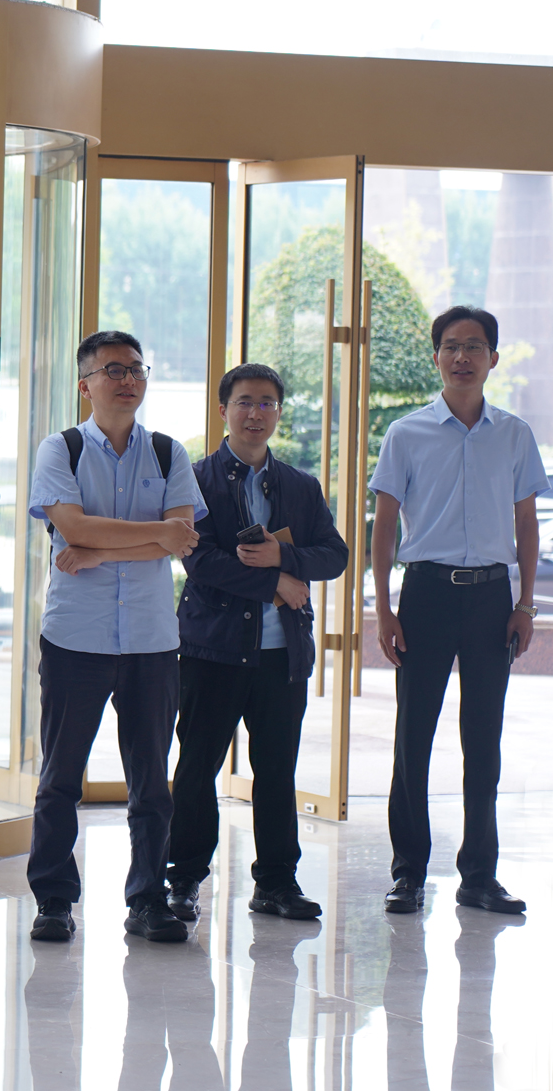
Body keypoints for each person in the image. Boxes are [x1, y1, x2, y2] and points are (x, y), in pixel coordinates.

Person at [26, 329, 204, 945]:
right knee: (60, 778)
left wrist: (97, 551)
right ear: (86, 385)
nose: (128, 380)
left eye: (136, 369)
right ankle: (54, 900)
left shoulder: (168, 452)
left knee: (151, 783)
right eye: (113, 370)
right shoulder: (62, 448)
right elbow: (73, 526)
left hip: (152, 641)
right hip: (76, 638)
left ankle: (148, 900)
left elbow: (183, 538)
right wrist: (147, 535)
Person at [370, 305, 546, 916]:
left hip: (492, 598)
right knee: (412, 737)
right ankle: (408, 873)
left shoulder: (515, 434)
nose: (462, 356)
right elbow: (384, 524)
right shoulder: (406, 433)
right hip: (426, 594)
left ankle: (479, 876)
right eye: (450, 346)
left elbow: (527, 524)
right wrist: (384, 608)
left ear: (493, 359)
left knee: (484, 739)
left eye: (474, 346)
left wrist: (526, 604)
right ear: (436, 357)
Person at [165, 363, 346, 924]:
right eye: (245, 401)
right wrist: (276, 584)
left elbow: (335, 555)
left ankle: (276, 883)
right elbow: (198, 559)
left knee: (276, 771)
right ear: (224, 410)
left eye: (267, 402)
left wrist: (283, 557)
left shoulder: (300, 485)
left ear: (278, 413)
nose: (256, 413)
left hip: (281, 654)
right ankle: (183, 879)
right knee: (196, 768)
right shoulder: (194, 480)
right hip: (211, 650)